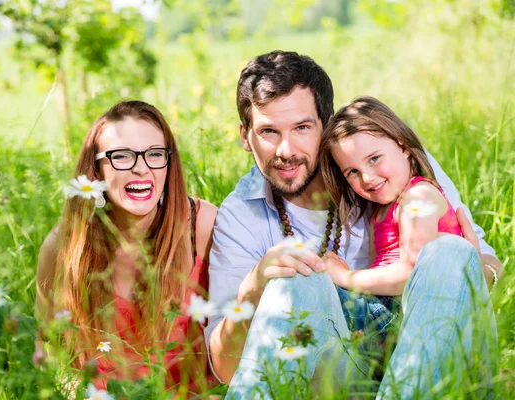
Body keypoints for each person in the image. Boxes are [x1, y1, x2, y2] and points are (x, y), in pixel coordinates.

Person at [206, 51, 503, 398]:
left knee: (449, 252)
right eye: (268, 131)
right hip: (344, 375)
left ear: (326, 124)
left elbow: (487, 264)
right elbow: (224, 367)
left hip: (436, 360)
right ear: (245, 136)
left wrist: (465, 269)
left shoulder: (389, 167)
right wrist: (254, 288)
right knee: (293, 282)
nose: (286, 149)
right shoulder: (241, 214)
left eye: (302, 127)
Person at [35, 100, 218, 394]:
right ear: (96, 170)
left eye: (155, 154)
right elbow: (49, 343)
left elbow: (241, 329)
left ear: (169, 165)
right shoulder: (64, 246)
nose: (141, 168)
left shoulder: (202, 226)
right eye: (122, 156)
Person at [318, 96, 463, 295]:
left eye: (374, 159)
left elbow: (414, 274)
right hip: (384, 308)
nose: (367, 178)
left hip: (413, 306)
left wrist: (345, 277)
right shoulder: (379, 211)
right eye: (353, 172)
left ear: (403, 146)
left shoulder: (418, 197)